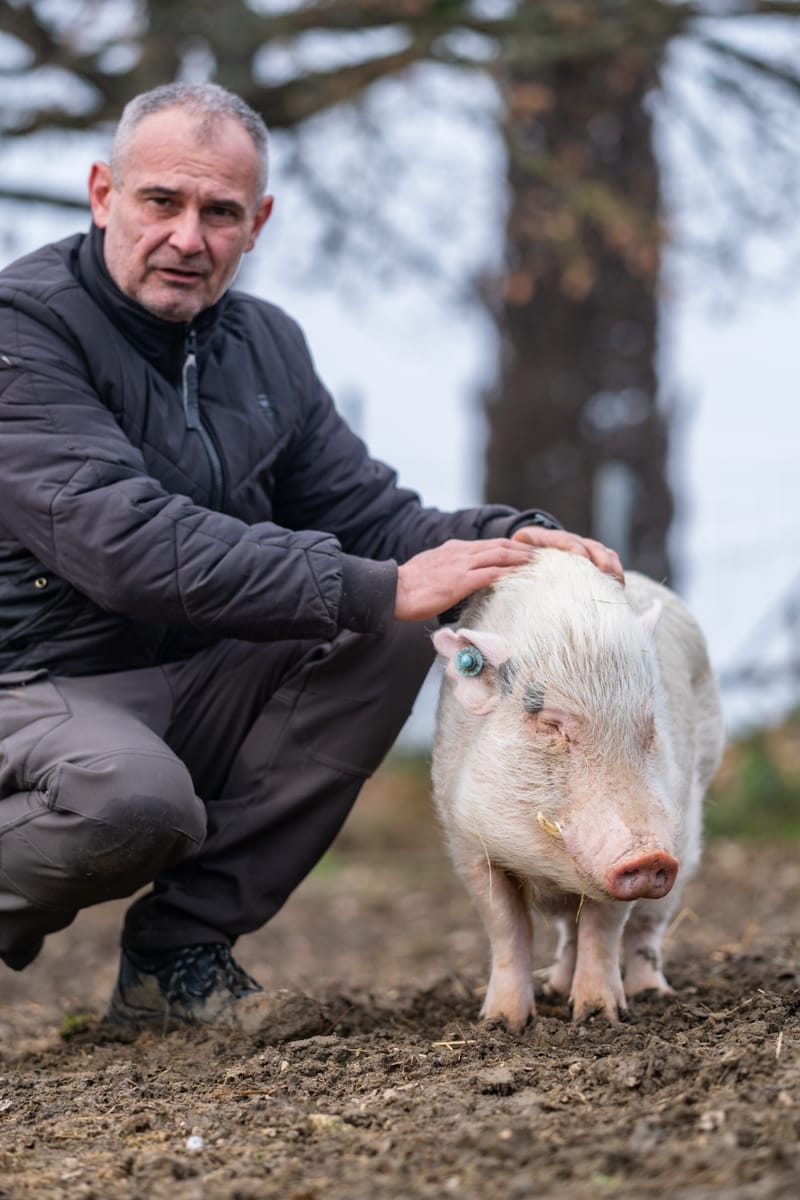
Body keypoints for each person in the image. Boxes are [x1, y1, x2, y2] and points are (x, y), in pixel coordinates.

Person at [0, 83, 622, 1031]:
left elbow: (367, 515)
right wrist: (374, 583)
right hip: (38, 679)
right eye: (160, 202)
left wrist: (512, 536)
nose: (187, 238)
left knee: (384, 630)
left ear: (259, 222)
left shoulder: (267, 346)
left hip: (192, 669)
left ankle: (177, 964)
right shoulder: (22, 331)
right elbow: (118, 541)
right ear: (101, 193)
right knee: (136, 804)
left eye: (221, 213)